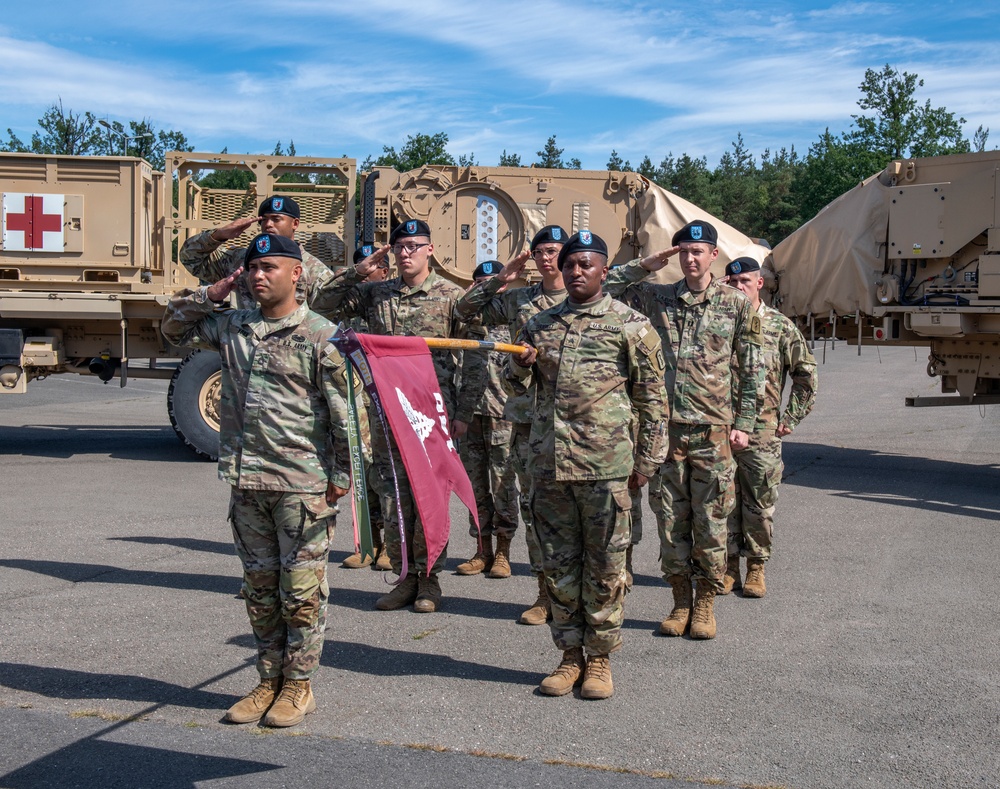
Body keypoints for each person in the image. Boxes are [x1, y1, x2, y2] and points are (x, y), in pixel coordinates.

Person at [161, 233, 352, 728]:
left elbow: (346, 414)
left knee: (302, 592)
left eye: (269, 266)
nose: (258, 275)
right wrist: (210, 293)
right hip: (248, 483)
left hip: (302, 487)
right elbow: (172, 330)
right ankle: (268, 679)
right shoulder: (233, 328)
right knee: (260, 589)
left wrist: (342, 475)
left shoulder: (322, 334)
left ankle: (298, 686)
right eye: (252, 268)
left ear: (297, 274)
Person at [508, 231, 667, 700]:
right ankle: (568, 655)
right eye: (570, 264)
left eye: (586, 264)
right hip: (550, 466)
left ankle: (599, 659)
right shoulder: (539, 324)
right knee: (558, 567)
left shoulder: (631, 325)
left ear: (603, 270)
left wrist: (647, 461)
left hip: (606, 466)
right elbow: (516, 388)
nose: (576, 271)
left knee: (605, 567)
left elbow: (653, 399)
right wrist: (521, 365)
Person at [313, 219, 485, 614]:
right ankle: (405, 575)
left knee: (429, 491)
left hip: (429, 412)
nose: (405, 252)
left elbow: (474, 355)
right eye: (399, 247)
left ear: (431, 250)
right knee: (392, 492)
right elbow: (322, 304)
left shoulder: (450, 297)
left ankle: (430, 580)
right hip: (386, 410)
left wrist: (464, 409)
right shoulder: (376, 294)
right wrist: (358, 270)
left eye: (413, 245)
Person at [604, 220, 763, 640]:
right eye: (684, 251)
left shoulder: (735, 304)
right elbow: (604, 291)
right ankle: (679, 601)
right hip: (664, 433)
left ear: (714, 255)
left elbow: (752, 367)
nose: (691, 259)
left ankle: (706, 603)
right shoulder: (656, 298)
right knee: (671, 521)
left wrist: (744, 424)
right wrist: (644, 265)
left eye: (698, 251)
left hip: (713, 432)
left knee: (711, 521)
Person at [455, 225, 568, 625]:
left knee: (582, 519)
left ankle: (580, 595)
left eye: (553, 250)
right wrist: (502, 278)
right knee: (535, 509)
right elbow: (464, 311)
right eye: (539, 251)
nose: (545, 257)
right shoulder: (520, 300)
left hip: (579, 428)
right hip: (528, 422)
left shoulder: (585, 300)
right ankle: (544, 594)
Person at [722, 257, 817, 597]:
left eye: (744, 281)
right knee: (723, 501)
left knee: (759, 503)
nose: (737, 287)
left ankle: (756, 567)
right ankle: (728, 566)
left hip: (762, 432)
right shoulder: (716, 324)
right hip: (720, 429)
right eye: (731, 282)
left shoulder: (778, 326)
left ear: (759, 283)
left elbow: (805, 374)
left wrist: (790, 417)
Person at [455, 261, 519, 579]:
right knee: (474, 487)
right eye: (479, 283)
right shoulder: (467, 324)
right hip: (470, 418)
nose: (485, 290)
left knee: (504, 486)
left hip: (505, 417)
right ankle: (482, 550)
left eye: (492, 284)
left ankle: (504, 552)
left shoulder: (516, 323)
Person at [179, 195, 334, 309]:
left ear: (295, 223)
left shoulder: (314, 270)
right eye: (263, 220)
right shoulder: (240, 259)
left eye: (276, 219)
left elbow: (329, 314)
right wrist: (219, 235)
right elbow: (190, 258)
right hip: (242, 345)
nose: (268, 225)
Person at [340, 245, 392, 572]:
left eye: (370, 267)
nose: (363, 271)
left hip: (383, 398)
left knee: (385, 473)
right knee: (360, 467)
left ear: (384, 272)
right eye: (359, 266)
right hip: (354, 398)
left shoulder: (386, 306)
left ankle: (391, 544)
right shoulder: (348, 306)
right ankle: (368, 543)